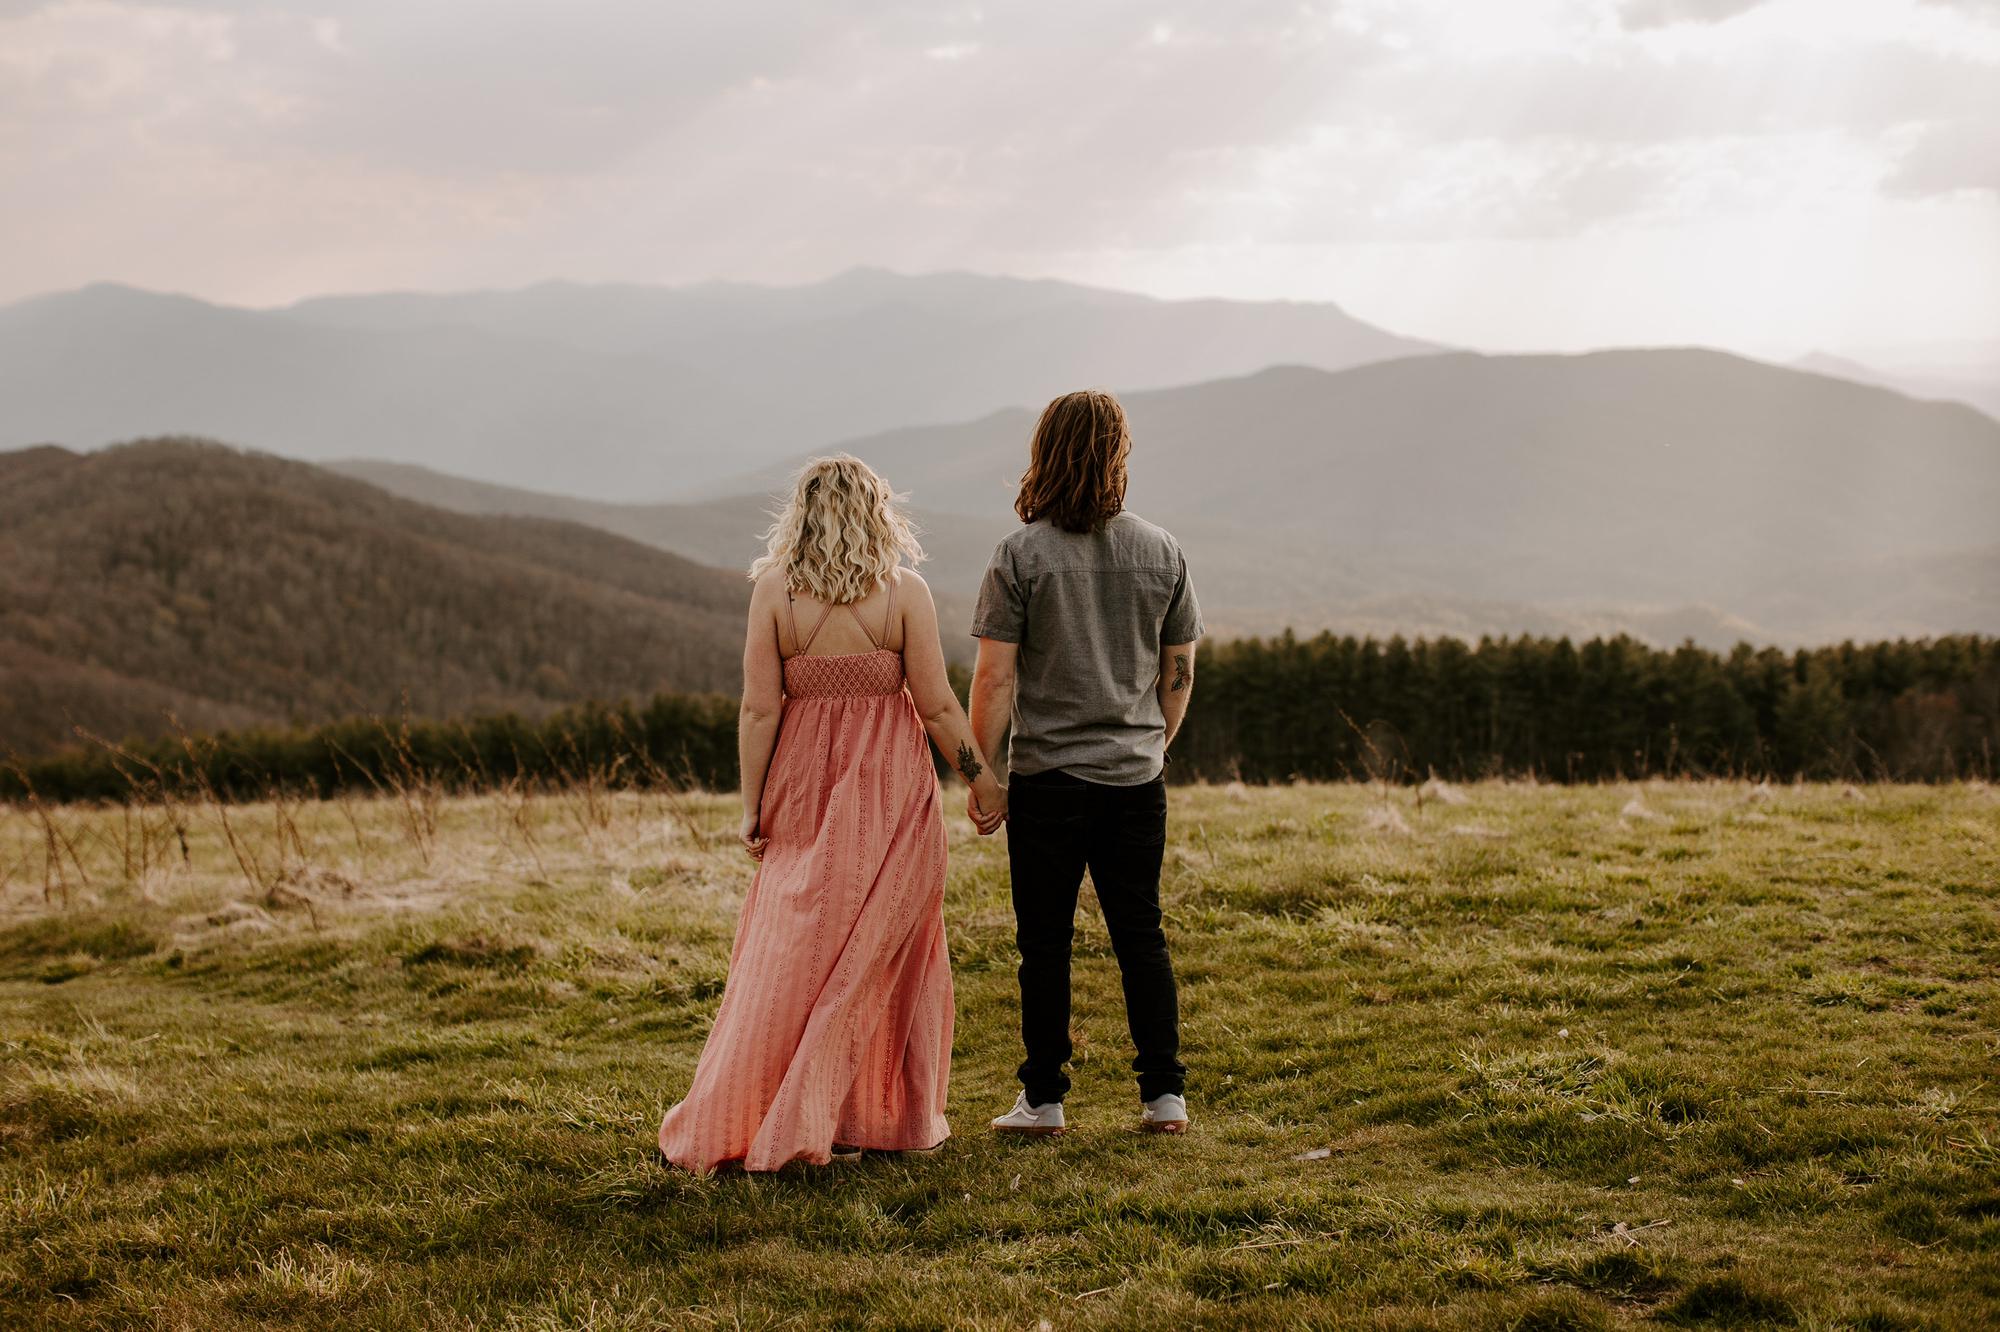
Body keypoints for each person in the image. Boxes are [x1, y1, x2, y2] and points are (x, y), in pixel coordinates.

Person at [658, 454, 1006, 1173]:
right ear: (880, 514)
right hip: (891, 791)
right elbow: (938, 705)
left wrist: (753, 805)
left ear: (803, 514)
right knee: (885, 948)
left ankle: (791, 1110)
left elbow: (760, 708)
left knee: (793, 951)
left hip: (802, 788)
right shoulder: (904, 592)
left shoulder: (775, 594)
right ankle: (867, 1118)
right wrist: (982, 780)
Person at [968, 388, 1202, 1138]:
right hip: (1135, 777)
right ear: (1118, 456)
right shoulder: (1162, 550)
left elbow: (995, 678)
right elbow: (1180, 669)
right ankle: (1163, 1094)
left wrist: (986, 775)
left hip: (1048, 780)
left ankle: (1044, 1099)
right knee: (1141, 932)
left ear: (1045, 454)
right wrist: (1153, 744)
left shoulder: (1019, 555)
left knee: (1044, 943)